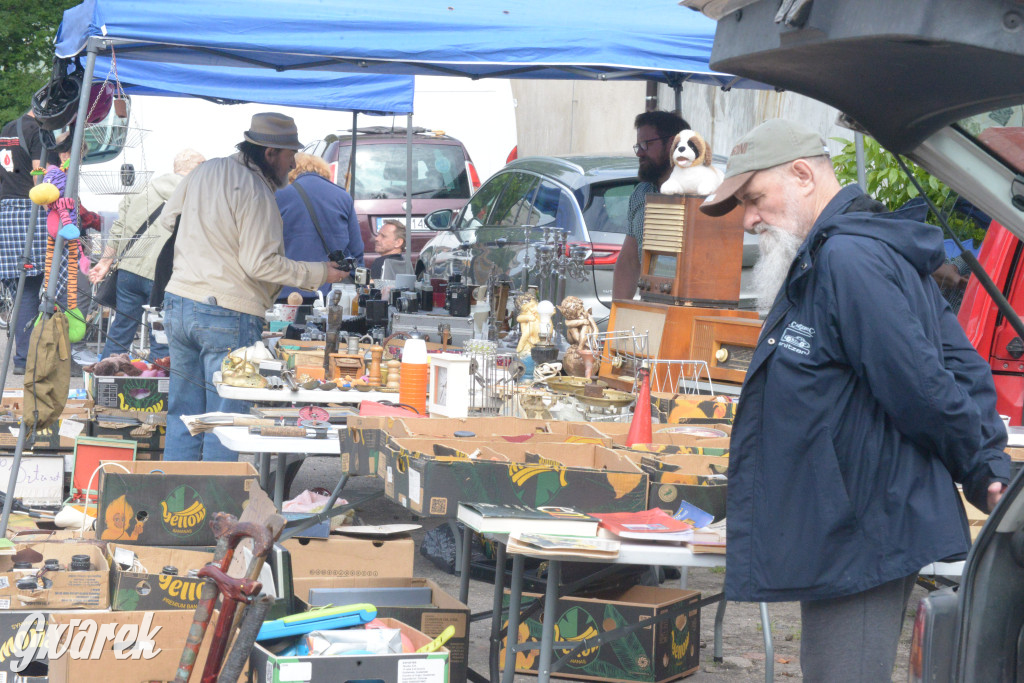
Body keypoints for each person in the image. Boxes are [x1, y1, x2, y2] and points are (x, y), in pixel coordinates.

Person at [699, 118, 1011, 682]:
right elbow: (958, 359)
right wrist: (986, 462)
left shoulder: (849, 260)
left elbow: (923, 386)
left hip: (863, 530)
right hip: (843, 528)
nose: (749, 220)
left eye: (754, 199)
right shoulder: (836, 253)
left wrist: (981, 464)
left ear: (800, 175)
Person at [159, 113, 346, 462]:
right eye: (290, 156)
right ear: (271, 152)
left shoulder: (206, 170)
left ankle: (175, 506)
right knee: (225, 421)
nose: (292, 165)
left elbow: (169, 220)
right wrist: (323, 272)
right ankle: (215, 511)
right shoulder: (256, 190)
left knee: (185, 415)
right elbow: (261, 264)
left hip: (181, 301)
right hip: (225, 310)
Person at [88, 149, 206, 359]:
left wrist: (105, 262)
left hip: (128, 271)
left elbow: (118, 228)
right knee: (160, 338)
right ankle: (155, 386)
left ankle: (105, 379)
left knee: (120, 331)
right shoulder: (196, 197)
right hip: (162, 276)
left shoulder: (141, 190)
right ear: (196, 170)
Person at [611, 110, 690, 300]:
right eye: (638, 146)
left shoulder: (697, 194)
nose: (639, 153)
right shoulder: (641, 192)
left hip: (686, 309)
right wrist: (618, 312)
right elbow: (629, 261)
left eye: (646, 144)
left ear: (672, 144)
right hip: (650, 305)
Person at [276, 153, 363, 303]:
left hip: (286, 292)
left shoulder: (279, 195)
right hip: (331, 294)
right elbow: (356, 251)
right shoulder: (343, 197)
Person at [0, 110, 45, 375]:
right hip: (30, 211)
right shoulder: (38, 132)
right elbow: (39, 178)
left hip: (6, 212)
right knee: (36, 287)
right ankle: (30, 358)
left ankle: (22, 358)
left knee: (21, 289)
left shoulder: (7, 129)